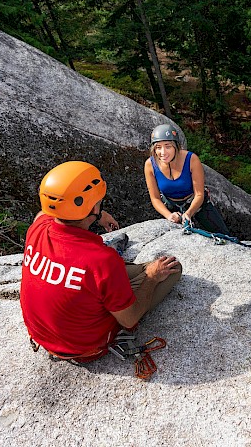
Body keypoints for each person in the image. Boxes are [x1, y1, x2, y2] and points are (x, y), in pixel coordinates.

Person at [20, 161, 182, 362]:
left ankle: (129, 279)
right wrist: (151, 277)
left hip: (43, 335)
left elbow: (42, 215)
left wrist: (97, 214)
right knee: (171, 270)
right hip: (85, 348)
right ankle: (146, 275)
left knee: (106, 277)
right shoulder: (102, 260)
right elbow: (129, 319)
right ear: (92, 206)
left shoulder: (37, 229)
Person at [144, 124, 229, 234]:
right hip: (171, 206)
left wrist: (188, 213)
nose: (163, 152)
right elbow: (155, 198)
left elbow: (199, 194)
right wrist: (169, 215)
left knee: (224, 235)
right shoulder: (150, 165)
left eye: (168, 146)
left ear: (176, 146)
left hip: (196, 203)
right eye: (158, 147)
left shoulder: (191, 159)